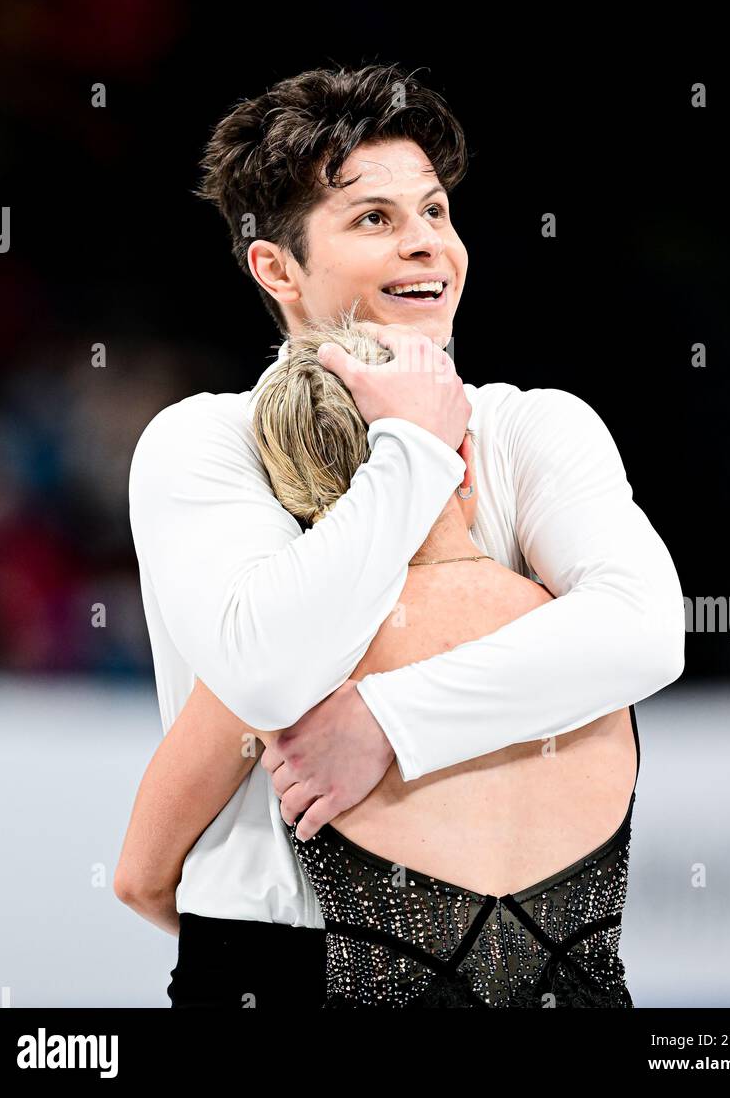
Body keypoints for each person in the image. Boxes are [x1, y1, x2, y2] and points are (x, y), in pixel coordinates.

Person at [116, 61, 684, 1009]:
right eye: (375, 219)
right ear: (277, 266)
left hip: (544, 964)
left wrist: (385, 721)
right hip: (275, 965)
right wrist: (413, 452)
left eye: (435, 212)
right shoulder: (202, 440)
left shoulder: (533, 426)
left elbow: (644, 629)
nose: (428, 244)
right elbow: (265, 670)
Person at [117, 313, 645, 1007]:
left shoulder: (298, 660)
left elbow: (139, 881)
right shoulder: (585, 637)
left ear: (295, 499)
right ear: (465, 463)